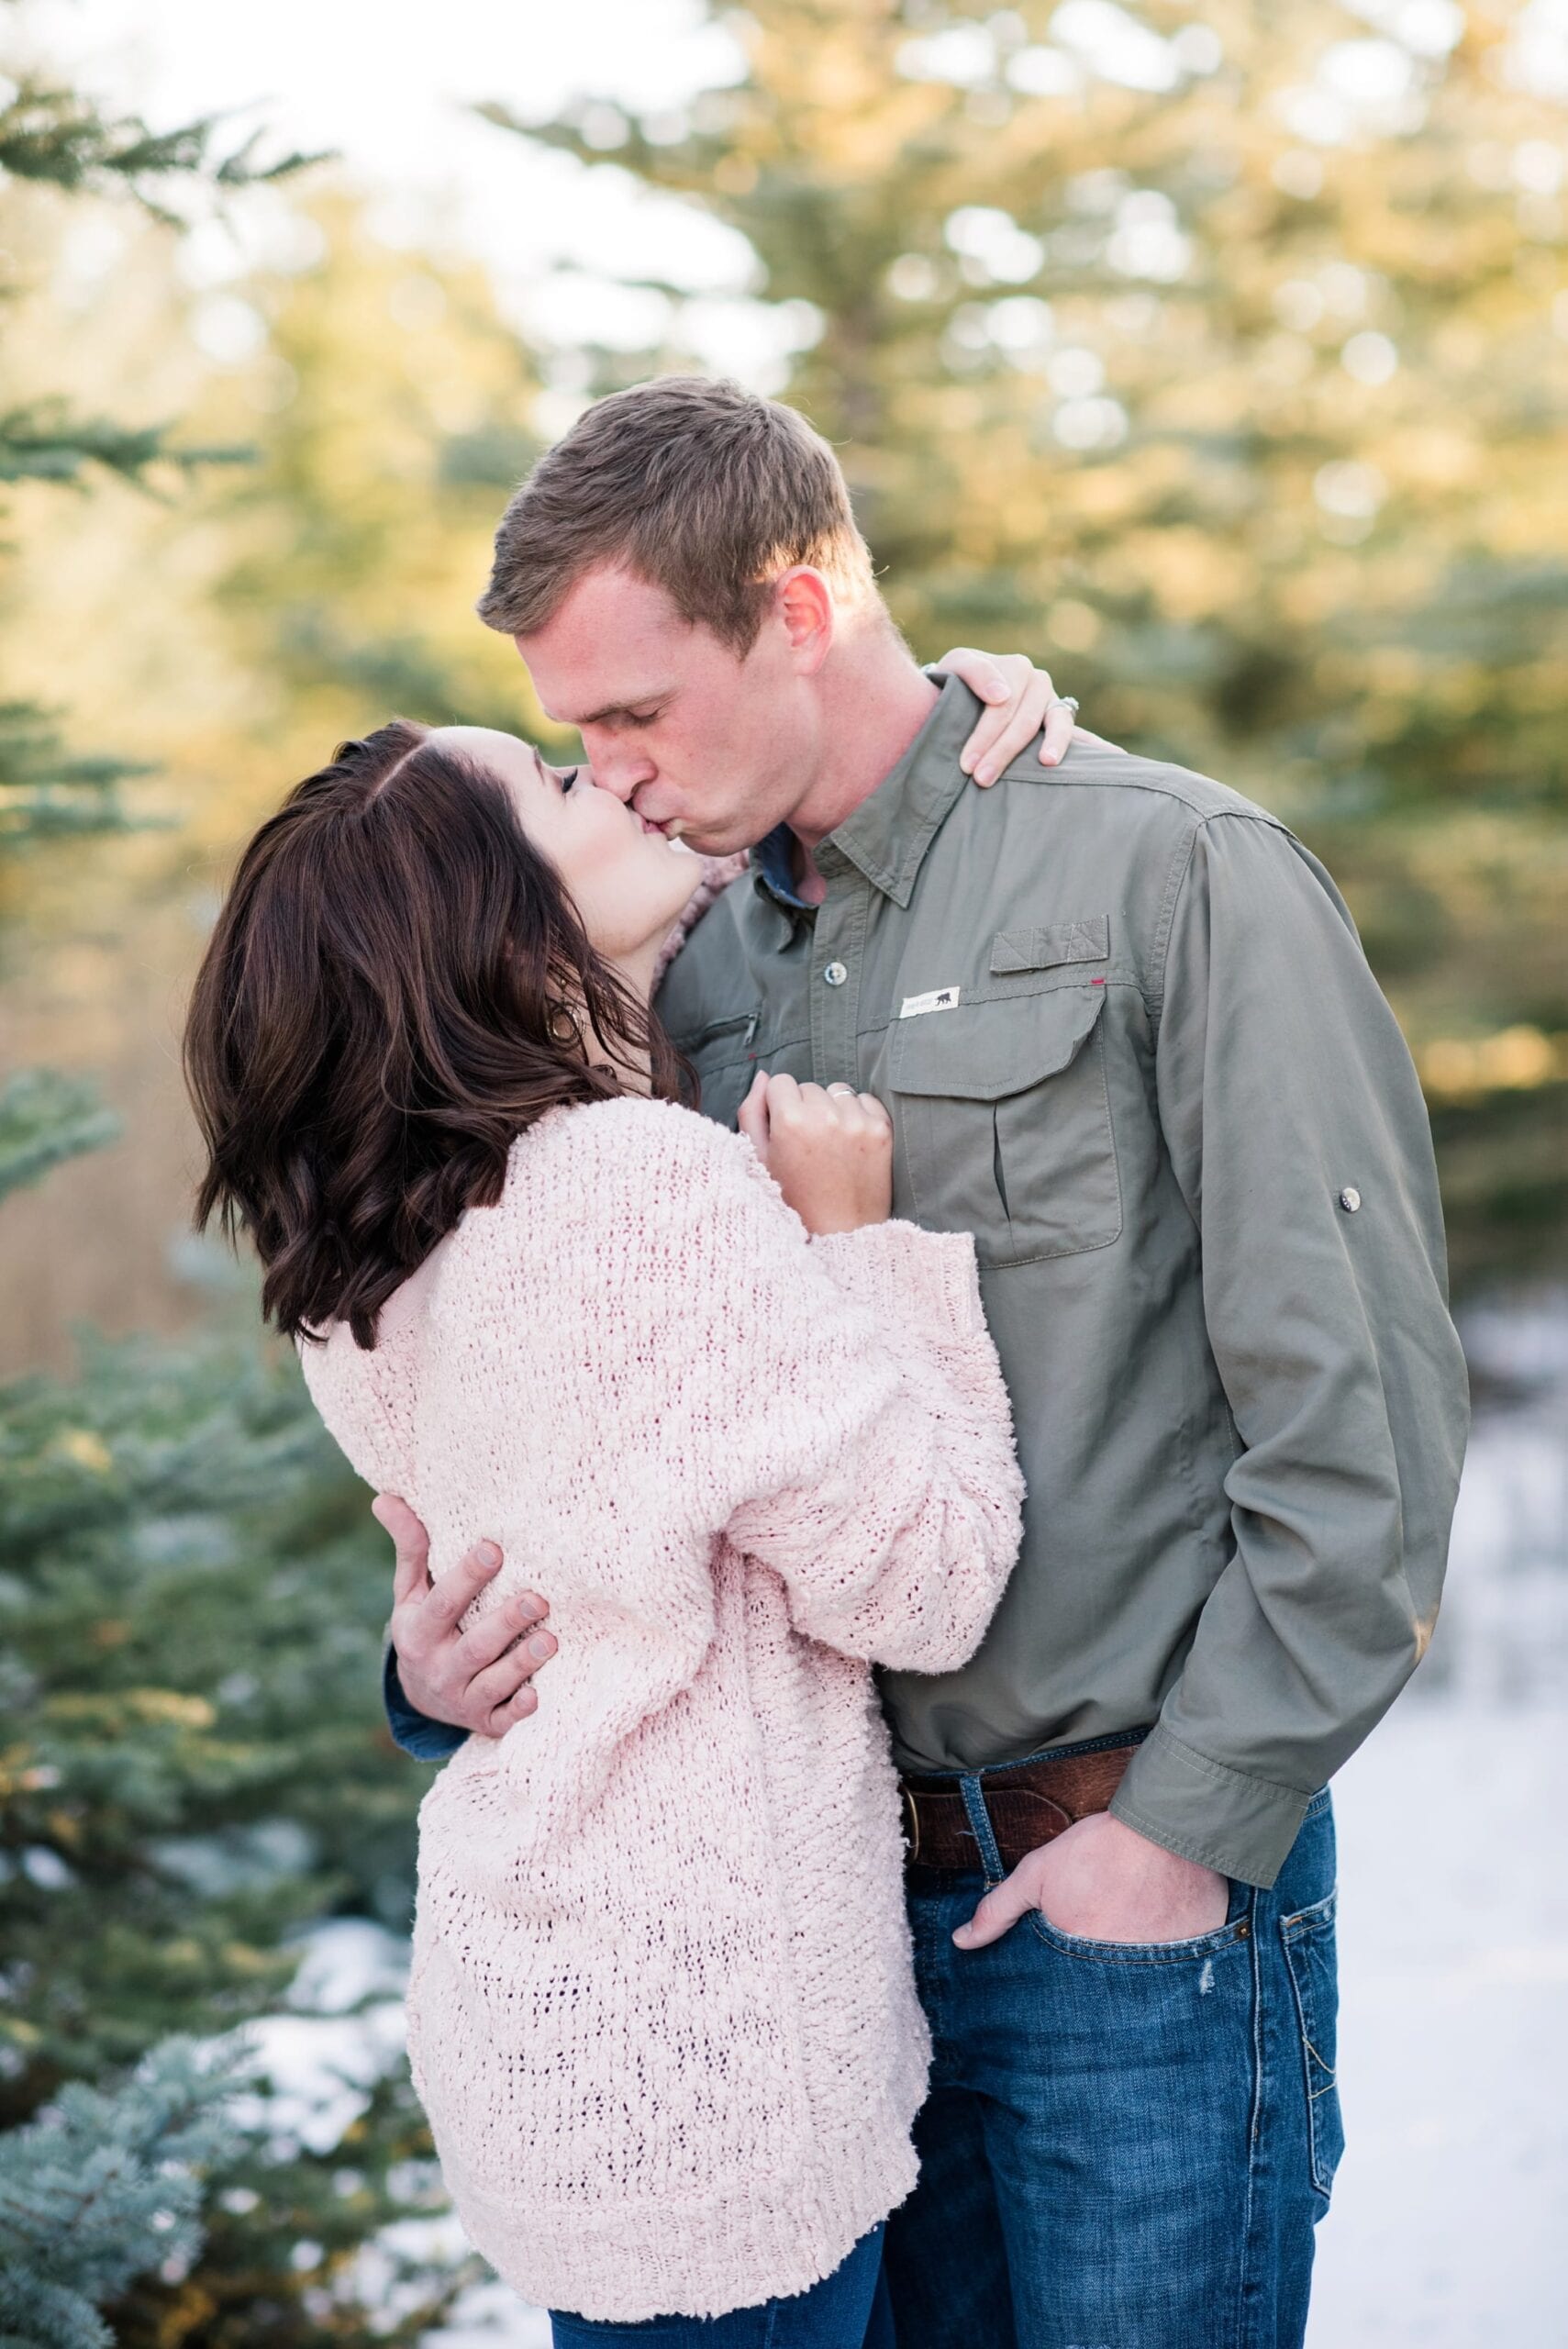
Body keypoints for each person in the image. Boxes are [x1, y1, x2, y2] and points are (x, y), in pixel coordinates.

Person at [381, 376, 1472, 2349]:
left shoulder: (1168, 876)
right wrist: (426, 1670)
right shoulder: (659, 953)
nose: (608, 774)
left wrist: (1183, 1835)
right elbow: (537, 1385)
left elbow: (1364, 1424)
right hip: (801, 1954)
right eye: (576, 734)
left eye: (636, 711)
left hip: (1121, 1898)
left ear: (798, 610)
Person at [183, 668, 1086, 2339]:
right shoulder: (633, 1188)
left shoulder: (370, 1268)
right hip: (715, 2063)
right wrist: (856, 1245)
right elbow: (926, 1586)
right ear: (501, 925)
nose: (612, 779)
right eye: (553, 780)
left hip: (550, 2031)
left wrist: (981, 688)